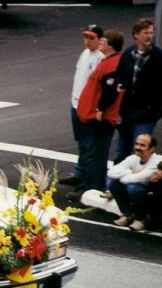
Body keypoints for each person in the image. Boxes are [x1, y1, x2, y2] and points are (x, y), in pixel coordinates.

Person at [67, 29, 124, 201]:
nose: (100, 43)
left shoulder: (111, 64)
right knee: (93, 151)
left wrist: (100, 110)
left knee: (95, 153)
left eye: (103, 40)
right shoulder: (105, 60)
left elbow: (110, 91)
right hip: (91, 112)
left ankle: (91, 187)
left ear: (110, 45)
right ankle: (89, 183)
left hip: (102, 117)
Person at [114, 18, 162, 165]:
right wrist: (121, 83)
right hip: (127, 111)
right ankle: (116, 184)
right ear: (136, 35)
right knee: (122, 149)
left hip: (146, 113)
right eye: (145, 33)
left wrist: (154, 106)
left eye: (151, 33)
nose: (149, 36)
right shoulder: (128, 53)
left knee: (140, 150)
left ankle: (136, 185)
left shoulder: (159, 57)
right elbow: (119, 72)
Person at [59, 24, 104, 188]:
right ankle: (80, 172)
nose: (87, 41)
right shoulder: (84, 54)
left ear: (100, 39)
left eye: (91, 38)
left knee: (88, 144)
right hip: (76, 103)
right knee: (80, 141)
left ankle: (88, 180)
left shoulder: (100, 57)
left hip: (88, 106)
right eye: (86, 37)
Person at [107, 133, 162, 231]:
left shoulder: (157, 161)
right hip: (138, 190)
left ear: (152, 149)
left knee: (133, 187)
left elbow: (139, 178)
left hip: (154, 197)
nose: (137, 147)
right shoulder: (133, 158)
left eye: (142, 145)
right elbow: (111, 172)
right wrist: (131, 171)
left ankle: (141, 219)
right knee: (112, 183)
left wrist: (123, 176)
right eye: (137, 144)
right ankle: (128, 215)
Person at [143, 158, 162, 236]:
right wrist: (151, 183)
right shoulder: (159, 181)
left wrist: (155, 194)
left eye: (159, 170)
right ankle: (156, 223)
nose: (157, 172)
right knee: (149, 199)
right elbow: (148, 193)